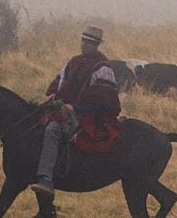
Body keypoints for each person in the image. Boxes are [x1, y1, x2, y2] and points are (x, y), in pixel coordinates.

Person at [33, 25, 121, 198]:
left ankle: (46, 179)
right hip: (64, 109)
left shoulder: (103, 68)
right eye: (84, 41)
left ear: (96, 45)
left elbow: (102, 98)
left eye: (89, 42)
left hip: (88, 116)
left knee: (53, 130)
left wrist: (76, 108)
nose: (85, 45)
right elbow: (59, 83)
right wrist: (53, 96)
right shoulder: (73, 62)